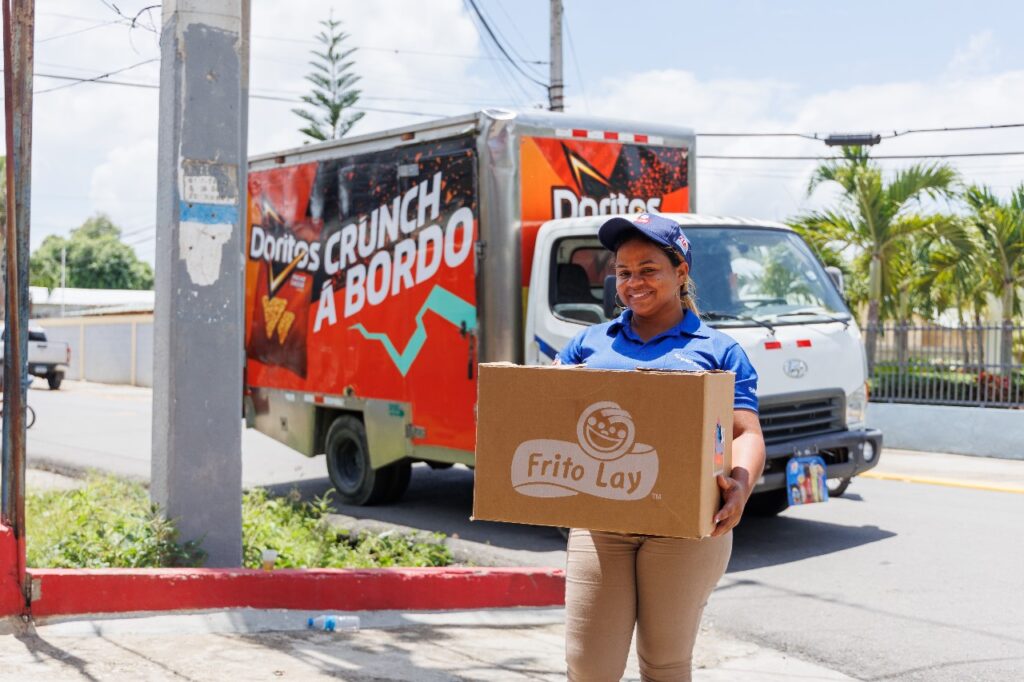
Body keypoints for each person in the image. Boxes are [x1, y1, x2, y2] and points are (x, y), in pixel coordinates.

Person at [555, 213, 767, 681]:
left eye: (649, 269)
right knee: (588, 666)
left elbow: (745, 433)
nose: (633, 282)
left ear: (681, 272)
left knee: (664, 664)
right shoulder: (586, 345)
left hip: (685, 526)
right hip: (600, 520)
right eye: (624, 271)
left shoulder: (718, 351)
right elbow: (547, 410)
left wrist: (741, 487)